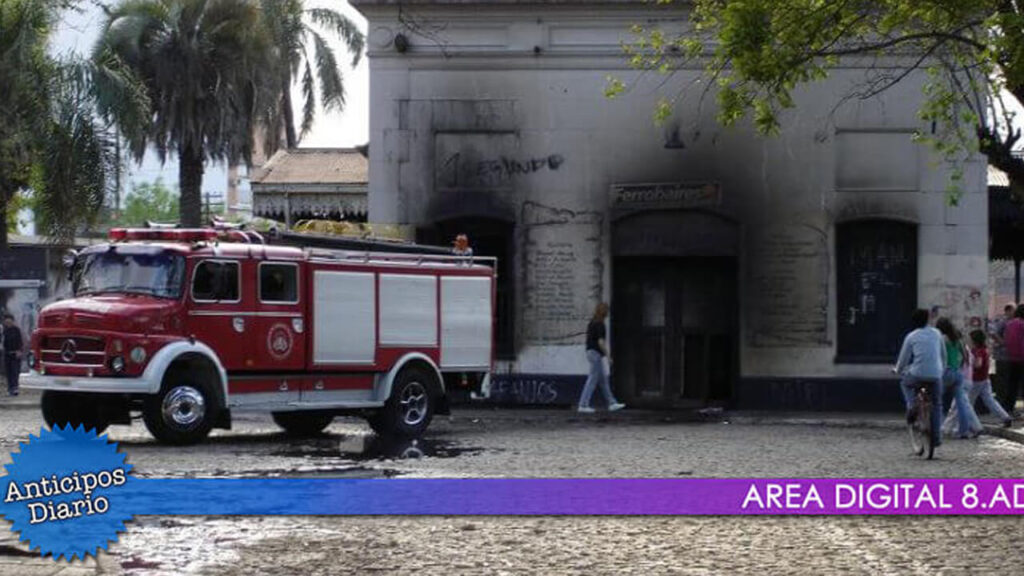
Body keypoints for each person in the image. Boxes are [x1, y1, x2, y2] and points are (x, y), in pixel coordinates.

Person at [895, 309, 945, 449]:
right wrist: (941, 371)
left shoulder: (911, 336)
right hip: (936, 375)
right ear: (927, 320)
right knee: (937, 404)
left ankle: (912, 405)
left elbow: (903, 360)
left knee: (905, 384)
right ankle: (936, 438)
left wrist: (898, 370)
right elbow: (943, 356)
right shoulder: (937, 333)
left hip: (917, 374)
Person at [935, 317, 983, 438]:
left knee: (936, 399)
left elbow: (939, 356)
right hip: (957, 373)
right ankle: (964, 430)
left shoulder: (942, 339)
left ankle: (937, 428)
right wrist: (959, 367)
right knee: (962, 403)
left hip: (946, 372)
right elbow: (965, 357)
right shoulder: (957, 339)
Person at [578, 302, 625, 413]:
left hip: (590, 352)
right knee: (592, 379)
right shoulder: (600, 324)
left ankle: (612, 403)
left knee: (603, 380)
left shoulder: (592, 323)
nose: (608, 313)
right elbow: (601, 342)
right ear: (604, 312)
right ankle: (583, 405)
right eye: (607, 310)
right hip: (596, 354)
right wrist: (608, 356)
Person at [962, 330, 1013, 428]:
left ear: (974, 340)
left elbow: (978, 364)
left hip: (977, 380)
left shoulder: (978, 351)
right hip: (985, 378)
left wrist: (969, 365)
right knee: (990, 400)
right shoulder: (984, 349)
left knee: (968, 403)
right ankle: (1005, 417)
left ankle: (972, 424)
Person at [989, 303, 1016, 412]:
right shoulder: (1003, 321)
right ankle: (1000, 404)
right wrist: (1003, 342)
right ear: (1008, 311)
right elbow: (993, 332)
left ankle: (1005, 404)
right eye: (1014, 310)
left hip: (1010, 356)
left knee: (1008, 380)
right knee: (1002, 381)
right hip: (1002, 355)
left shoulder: (1012, 322)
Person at [1004, 304, 1024, 415]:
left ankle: (1008, 407)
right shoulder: (1022, 324)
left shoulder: (1009, 324)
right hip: (1022, 357)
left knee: (1012, 384)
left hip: (1011, 357)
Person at [2, 314, 24, 396]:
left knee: (15, 372)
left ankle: (15, 388)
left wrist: (19, 351)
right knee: (8, 372)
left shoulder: (16, 330)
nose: (8, 322)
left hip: (15, 354)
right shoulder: (4, 331)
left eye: (9, 320)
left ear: (12, 321)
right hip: (7, 354)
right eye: (6, 321)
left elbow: (20, 341)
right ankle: (10, 388)